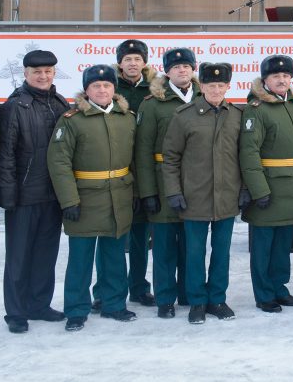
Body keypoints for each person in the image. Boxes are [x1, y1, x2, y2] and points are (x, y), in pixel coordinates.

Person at [48, 64, 137, 332]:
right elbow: (59, 162)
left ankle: (114, 304)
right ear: (86, 90)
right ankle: (76, 309)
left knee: (115, 256)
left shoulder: (126, 118)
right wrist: (69, 200)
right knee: (80, 259)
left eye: (106, 85)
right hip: (84, 198)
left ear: (114, 88)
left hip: (119, 196)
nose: (102, 90)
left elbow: (136, 158)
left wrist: (137, 193)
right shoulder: (72, 119)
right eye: (95, 86)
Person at [162, 62, 243, 324]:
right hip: (194, 197)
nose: (216, 90)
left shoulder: (237, 115)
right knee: (195, 253)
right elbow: (171, 157)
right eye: (211, 85)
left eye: (221, 85)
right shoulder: (184, 116)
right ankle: (197, 301)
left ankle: (217, 299)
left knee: (222, 252)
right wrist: (173, 191)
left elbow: (244, 156)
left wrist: (244, 190)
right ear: (202, 86)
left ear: (228, 86)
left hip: (226, 196)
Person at [0, 49, 68, 334]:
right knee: (19, 256)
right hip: (24, 195)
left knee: (46, 254)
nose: (43, 76)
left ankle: (39, 304)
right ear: (26, 74)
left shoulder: (60, 103)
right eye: (37, 72)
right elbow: (5, 154)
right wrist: (7, 194)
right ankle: (16, 312)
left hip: (53, 193)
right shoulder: (15, 106)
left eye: (48, 71)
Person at [239, 55, 293, 313]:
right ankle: (264, 294)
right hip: (269, 188)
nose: (282, 80)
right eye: (276, 76)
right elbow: (249, 152)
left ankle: (279, 288)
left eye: (286, 75)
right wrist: (259, 190)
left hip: (292, 188)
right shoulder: (256, 109)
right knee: (263, 247)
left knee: (282, 246)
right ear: (265, 80)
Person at [134, 47, 198, 318]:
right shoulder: (153, 104)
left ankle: (187, 292)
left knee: (191, 245)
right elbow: (143, 151)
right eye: (176, 67)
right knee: (164, 247)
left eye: (186, 66)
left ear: (193, 69)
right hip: (162, 184)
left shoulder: (205, 97)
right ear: (167, 72)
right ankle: (165, 298)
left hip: (196, 183)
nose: (182, 70)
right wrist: (148, 191)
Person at [113, 39, 156, 309]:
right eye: (127, 59)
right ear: (119, 63)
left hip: (144, 168)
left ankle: (139, 287)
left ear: (144, 62)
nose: (132, 63)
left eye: (137, 59)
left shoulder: (155, 88)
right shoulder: (108, 86)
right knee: (113, 237)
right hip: (115, 165)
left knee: (141, 234)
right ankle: (105, 290)